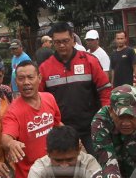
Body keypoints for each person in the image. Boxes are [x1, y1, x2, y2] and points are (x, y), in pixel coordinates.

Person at [40, 21, 111, 153]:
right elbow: (39, 99)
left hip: (90, 129)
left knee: (96, 166)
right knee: (67, 170)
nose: (62, 45)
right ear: (53, 42)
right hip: (61, 131)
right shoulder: (45, 68)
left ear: (73, 39)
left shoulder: (89, 61)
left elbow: (105, 90)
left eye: (65, 40)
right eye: (57, 42)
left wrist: (104, 119)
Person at [2, 60, 64, 178]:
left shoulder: (49, 98)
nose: (26, 82)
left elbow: (57, 123)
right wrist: (11, 144)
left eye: (30, 77)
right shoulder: (13, 111)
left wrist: (71, 138)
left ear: (39, 78)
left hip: (54, 173)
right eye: (21, 78)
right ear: (16, 82)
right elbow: (5, 138)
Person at [20, 125, 103, 178]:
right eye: (58, 160)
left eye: (70, 159)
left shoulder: (88, 163)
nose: (64, 166)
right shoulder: (38, 169)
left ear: (79, 150)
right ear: (48, 153)